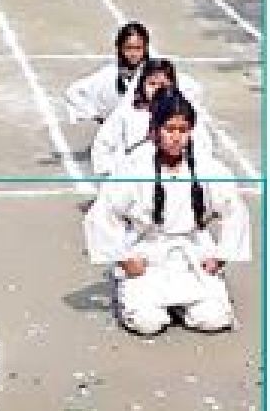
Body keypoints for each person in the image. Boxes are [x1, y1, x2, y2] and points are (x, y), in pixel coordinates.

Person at [84, 88, 250, 335]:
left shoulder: (207, 167)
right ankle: (132, 296)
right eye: (169, 129)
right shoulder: (134, 168)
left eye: (182, 130)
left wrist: (220, 257)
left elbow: (234, 211)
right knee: (148, 323)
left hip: (193, 255)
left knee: (213, 320)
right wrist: (125, 260)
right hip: (148, 255)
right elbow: (103, 214)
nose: (176, 137)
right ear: (154, 132)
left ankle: (186, 306)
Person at [91, 58, 213, 176]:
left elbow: (203, 147)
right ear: (142, 85)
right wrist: (110, 173)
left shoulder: (184, 115)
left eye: (163, 84)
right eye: (152, 84)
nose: (157, 89)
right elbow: (102, 144)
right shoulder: (127, 113)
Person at [64, 22, 150, 123]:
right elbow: (73, 92)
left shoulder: (155, 73)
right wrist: (95, 115)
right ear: (119, 48)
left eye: (138, 48)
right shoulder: (108, 74)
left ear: (145, 48)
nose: (133, 54)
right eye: (128, 48)